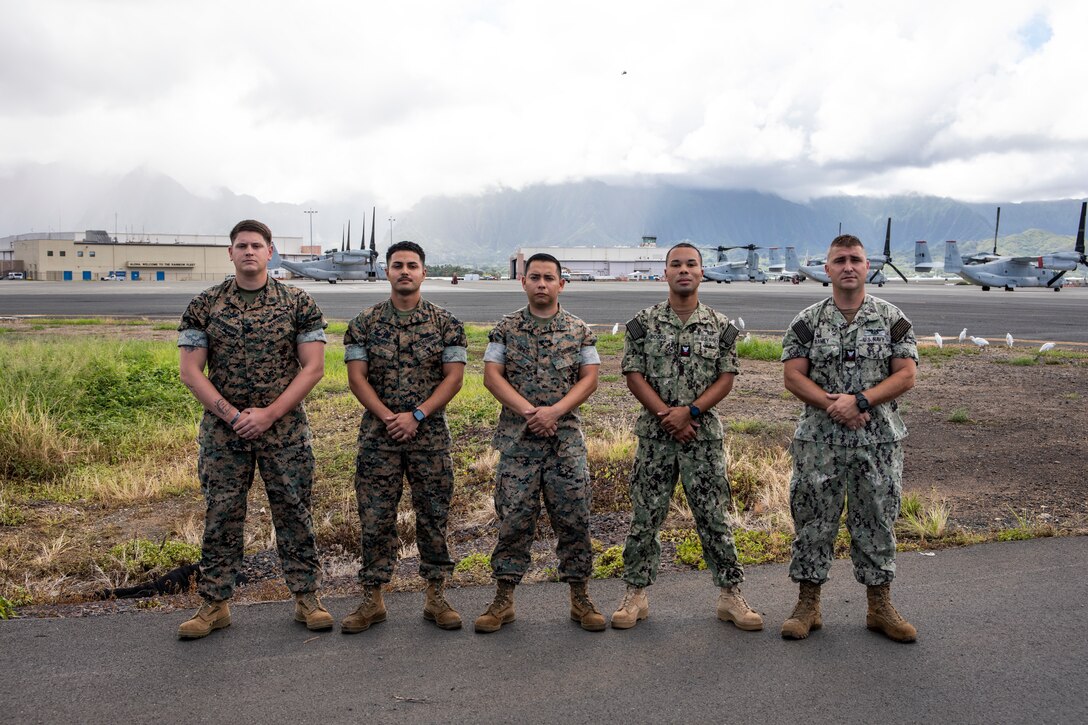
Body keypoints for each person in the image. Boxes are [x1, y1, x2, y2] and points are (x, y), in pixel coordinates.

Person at [176, 219, 331, 639]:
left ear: (269, 252)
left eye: (256, 245)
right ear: (230, 253)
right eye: (241, 245)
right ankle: (214, 604)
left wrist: (268, 414)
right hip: (224, 436)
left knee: (294, 511)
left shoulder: (299, 303)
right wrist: (232, 415)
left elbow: (313, 367)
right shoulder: (205, 305)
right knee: (221, 515)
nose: (249, 251)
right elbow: (191, 371)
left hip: (284, 433)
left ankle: (307, 597)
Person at [610, 243, 762, 631]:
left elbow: (726, 377)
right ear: (665, 273)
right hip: (657, 436)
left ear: (701, 272)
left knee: (714, 517)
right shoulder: (642, 324)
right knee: (645, 517)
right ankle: (635, 594)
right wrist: (666, 415)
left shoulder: (722, 327)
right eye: (675, 264)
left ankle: (731, 595)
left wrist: (690, 412)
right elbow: (633, 374)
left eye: (690, 264)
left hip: (702, 437)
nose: (683, 270)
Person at [779, 234, 918, 643]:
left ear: (867, 265)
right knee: (813, 521)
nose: (848, 266)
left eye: (855, 259)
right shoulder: (808, 321)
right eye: (839, 260)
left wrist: (860, 401)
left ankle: (880, 606)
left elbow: (906, 373)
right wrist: (833, 405)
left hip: (876, 442)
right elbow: (792, 375)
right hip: (819, 442)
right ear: (827, 269)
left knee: (877, 519)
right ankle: (808, 604)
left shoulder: (892, 319)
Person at [340, 241, 467, 633]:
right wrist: (388, 417)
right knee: (375, 518)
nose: (405, 271)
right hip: (379, 439)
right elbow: (356, 377)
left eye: (412, 265)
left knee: (433, 516)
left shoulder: (447, 323)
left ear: (424, 272)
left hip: (429, 438)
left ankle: (436, 596)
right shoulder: (364, 323)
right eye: (398, 265)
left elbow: (454, 378)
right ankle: (373, 598)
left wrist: (416, 415)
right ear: (386, 272)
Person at [475, 253, 604, 633]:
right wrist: (532, 412)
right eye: (535, 277)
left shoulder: (580, 330)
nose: (542, 283)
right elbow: (492, 377)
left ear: (562, 283)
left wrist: (555, 412)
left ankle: (581, 598)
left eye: (550, 277)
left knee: (574, 520)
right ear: (524, 282)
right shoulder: (505, 329)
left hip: (565, 444)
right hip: (519, 444)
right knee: (513, 520)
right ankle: (503, 599)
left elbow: (590, 378)